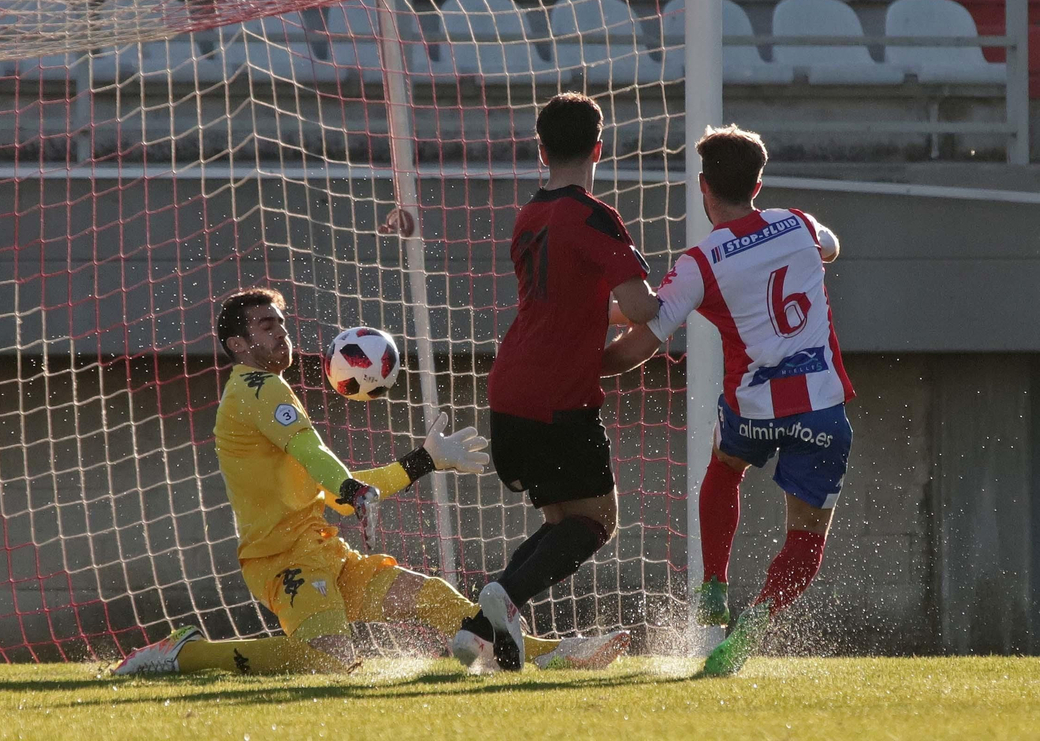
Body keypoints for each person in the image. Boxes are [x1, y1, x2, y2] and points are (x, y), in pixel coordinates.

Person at [111, 288, 630, 677]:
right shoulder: (256, 387)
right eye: (266, 326)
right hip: (282, 560)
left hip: (323, 551)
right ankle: (186, 653)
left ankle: (550, 653)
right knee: (327, 663)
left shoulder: (268, 391)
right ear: (237, 344)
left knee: (434, 598)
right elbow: (315, 455)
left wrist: (423, 460)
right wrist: (352, 490)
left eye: (281, 323)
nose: (281, 333)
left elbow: (331, 489)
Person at [602, 125, 853, 676]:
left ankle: (714, 580)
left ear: (703, 186)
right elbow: (829, 244)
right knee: (808, 536)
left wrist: (590, 356)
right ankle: (757, 621)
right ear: (758, 183)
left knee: (725, 464)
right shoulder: (799, 223)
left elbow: (638, 343)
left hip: (753, 409)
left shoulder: (700, 261)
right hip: (821, 407)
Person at [477, 93, 659, 670]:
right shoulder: (593, 214)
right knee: (595, 521)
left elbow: (576, 309)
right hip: (558, 399)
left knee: (560, 521)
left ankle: (479, 634)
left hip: (510, 388)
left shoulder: (529, 214)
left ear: (541, 150)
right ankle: (501, 601)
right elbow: (638, 305)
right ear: (599, 148)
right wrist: (678, 299)